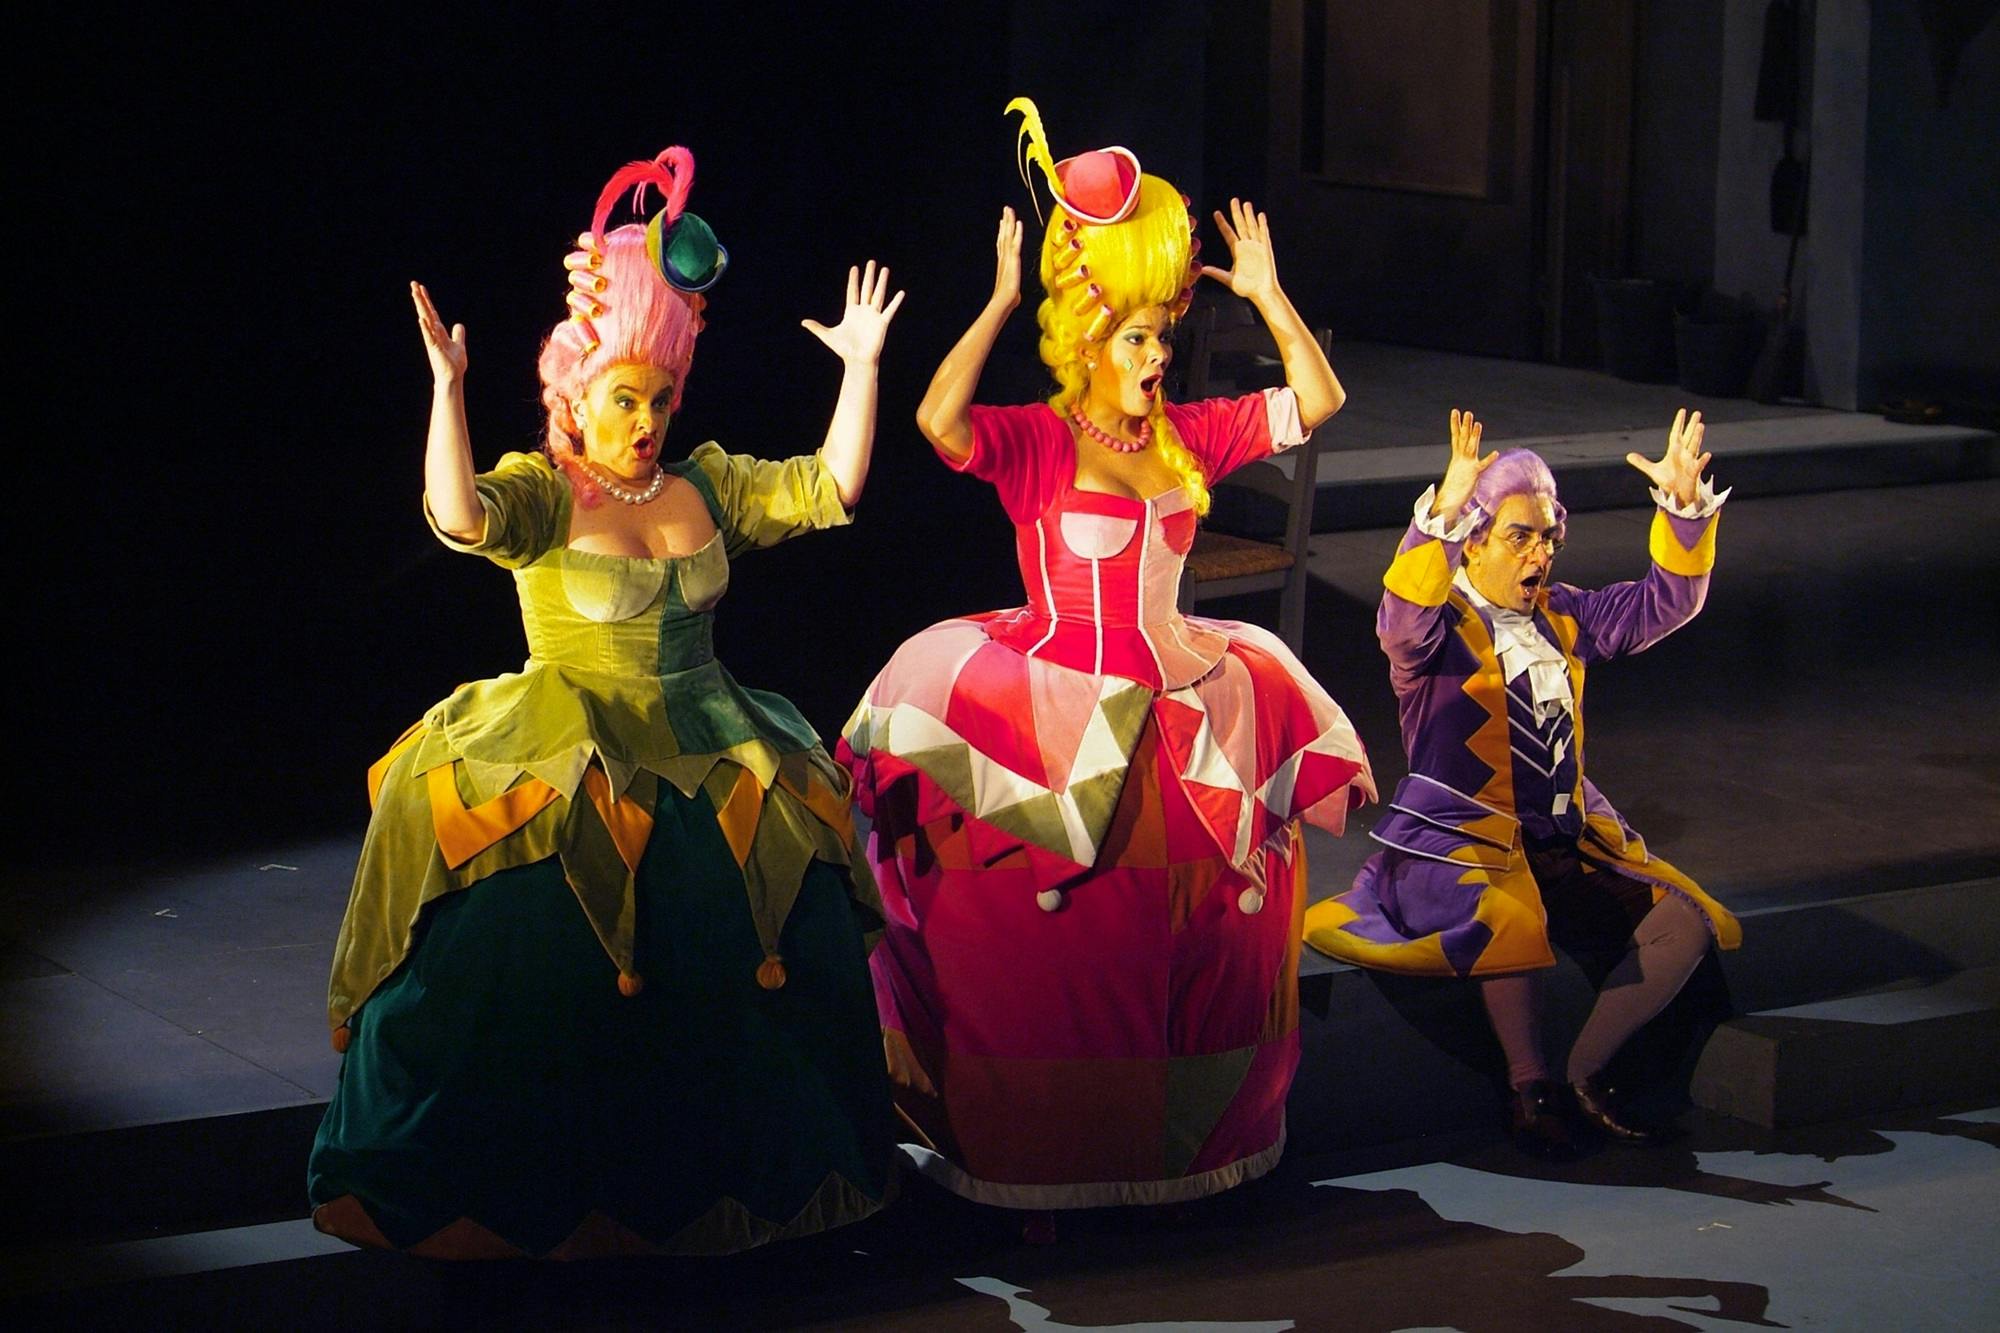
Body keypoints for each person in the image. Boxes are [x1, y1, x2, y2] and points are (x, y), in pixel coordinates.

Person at [308, 148, 906, 1258]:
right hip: (567, 732)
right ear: (573, 398)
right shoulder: (544, 491)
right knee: (539, 926)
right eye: (624, 398)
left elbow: (831, 486)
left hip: (710, 731)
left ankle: (747, 1173)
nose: (645, 419)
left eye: (661, 397)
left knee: (769, 894)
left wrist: (860, 368)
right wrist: (446, 390)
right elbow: (459, 515)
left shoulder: (706, 486)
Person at [838, 99, 1376, 1219]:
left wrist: (1269, 298)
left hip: (1177, 691)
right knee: (1051, 937)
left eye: (1160, 337)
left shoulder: (1190, 433)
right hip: (1050, 697)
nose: (1154, 357)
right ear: (1088, 342)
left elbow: (1315, 403)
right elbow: (939, 424)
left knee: (1203, 920)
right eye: (1135, 339)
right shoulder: (1039, 439)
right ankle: (1038, 1142)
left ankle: (1193, 1143)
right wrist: (991, 304)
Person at [1303, 408, 1741, 1153]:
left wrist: (1683, 510)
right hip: (1459, 849)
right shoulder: (1436, 631)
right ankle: (1528, 1085)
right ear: (1472, 542)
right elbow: (1399, 623)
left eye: (1549, 536)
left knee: (1684, 922)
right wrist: (1439, 510)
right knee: (1510, 917)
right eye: (1519, 535)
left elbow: (1666, 604)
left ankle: (1584, 1072)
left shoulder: (1562, 619)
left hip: (1563, 841)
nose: (1541, 553)